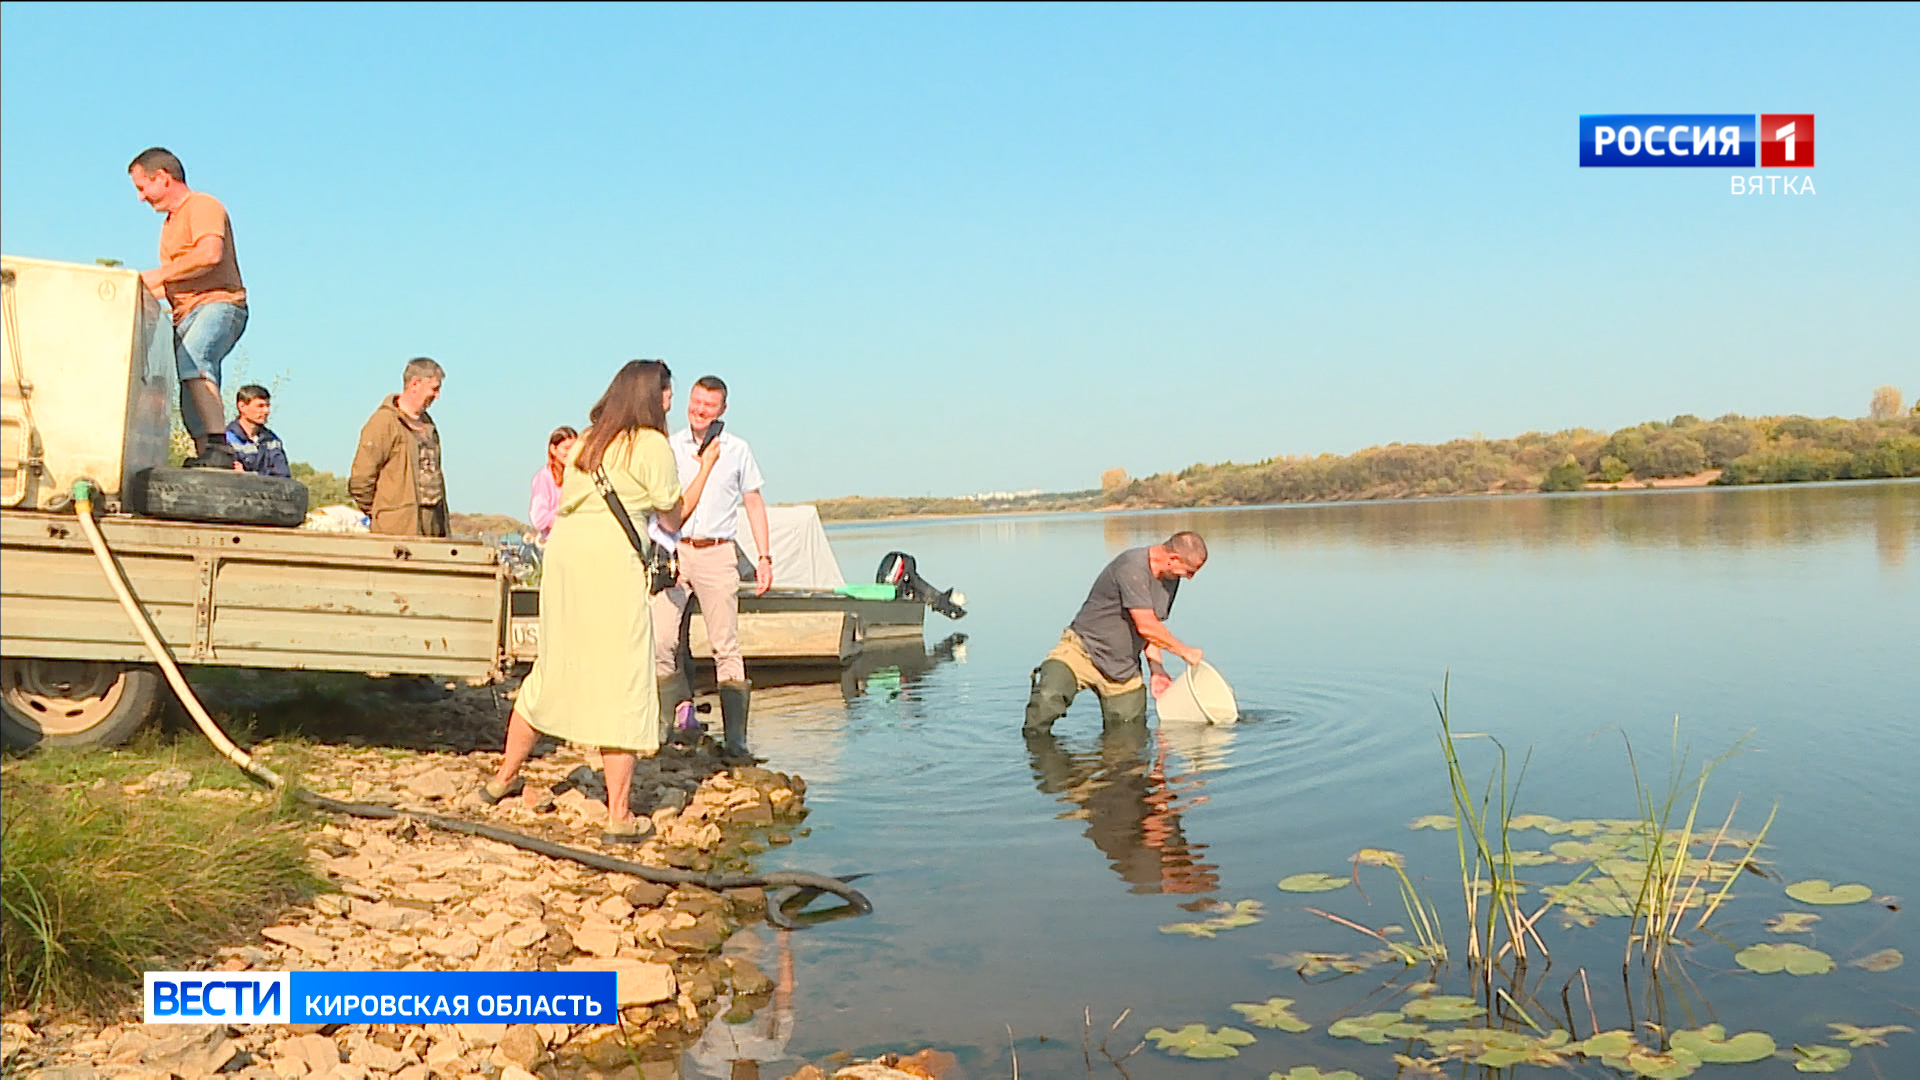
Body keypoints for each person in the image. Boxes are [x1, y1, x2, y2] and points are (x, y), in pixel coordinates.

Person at [484, 360, 722, 842]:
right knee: (624, 677)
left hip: (566, 560)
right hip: (611, 563)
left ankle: (502, 780)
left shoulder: (589, 440)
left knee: (554, 666)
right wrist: (707, 468)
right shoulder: (650, 445)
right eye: (667, 393)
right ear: (648, 396)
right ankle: (618, 815)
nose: (671, 401)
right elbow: (673, 518)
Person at [650, 375, 773, 763]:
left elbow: (753, 502)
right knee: (661, 640)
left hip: (718, 553)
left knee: (725, 645)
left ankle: (735, 739)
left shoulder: (737, 450)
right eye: (696, 402)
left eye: (709, 405)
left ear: (722, 410)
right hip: (675, 550)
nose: (700, 411)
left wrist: (764, 557)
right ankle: (676, 723)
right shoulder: (669, 448)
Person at [128, 147, 248, 469]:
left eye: (142, 188)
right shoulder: (169, 226)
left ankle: (220, 446)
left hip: (219, 303)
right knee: (186, 379)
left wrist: (154, 276)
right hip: (186, 313)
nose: (140, 198)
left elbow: (210, 254)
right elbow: (173, 282)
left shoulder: (202, 206)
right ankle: (207, 454)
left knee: (194, 359)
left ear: (163, 178)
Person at [1023, 532, 1208, 733]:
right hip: (1083, 650)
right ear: (1173, 559)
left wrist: (1157, 670)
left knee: (1130, 731)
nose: (1190, 578)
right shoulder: (1131, 567)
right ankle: (1036, 756)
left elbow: (1153, 630)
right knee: (1047, 699)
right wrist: (1185, 652)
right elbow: (1146, 626)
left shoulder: (1170, 578)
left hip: (1123, 666)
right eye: (1190, 571)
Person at [350, 358, 449, 537]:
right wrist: (386, 514)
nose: (437, 395)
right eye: (434, 389)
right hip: (397, 530)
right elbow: (360, 480)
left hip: (432, 526)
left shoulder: (428, 426)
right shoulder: (384, 422)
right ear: (415, 384)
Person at [223, 385, 290, 477]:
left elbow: (282, 477)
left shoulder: (273, 441)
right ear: (242, 406)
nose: (266, 411)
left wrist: (249, 475)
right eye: (260, 406)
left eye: (267, 406)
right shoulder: (226, 439)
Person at [528, 426, 578, 542]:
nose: (571, 453)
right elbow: (539, 519)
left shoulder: (579, 476)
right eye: (566, 448)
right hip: (556, 542)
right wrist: (567, 518)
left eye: (574, 448)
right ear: (553, 449)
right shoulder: (544, 478)